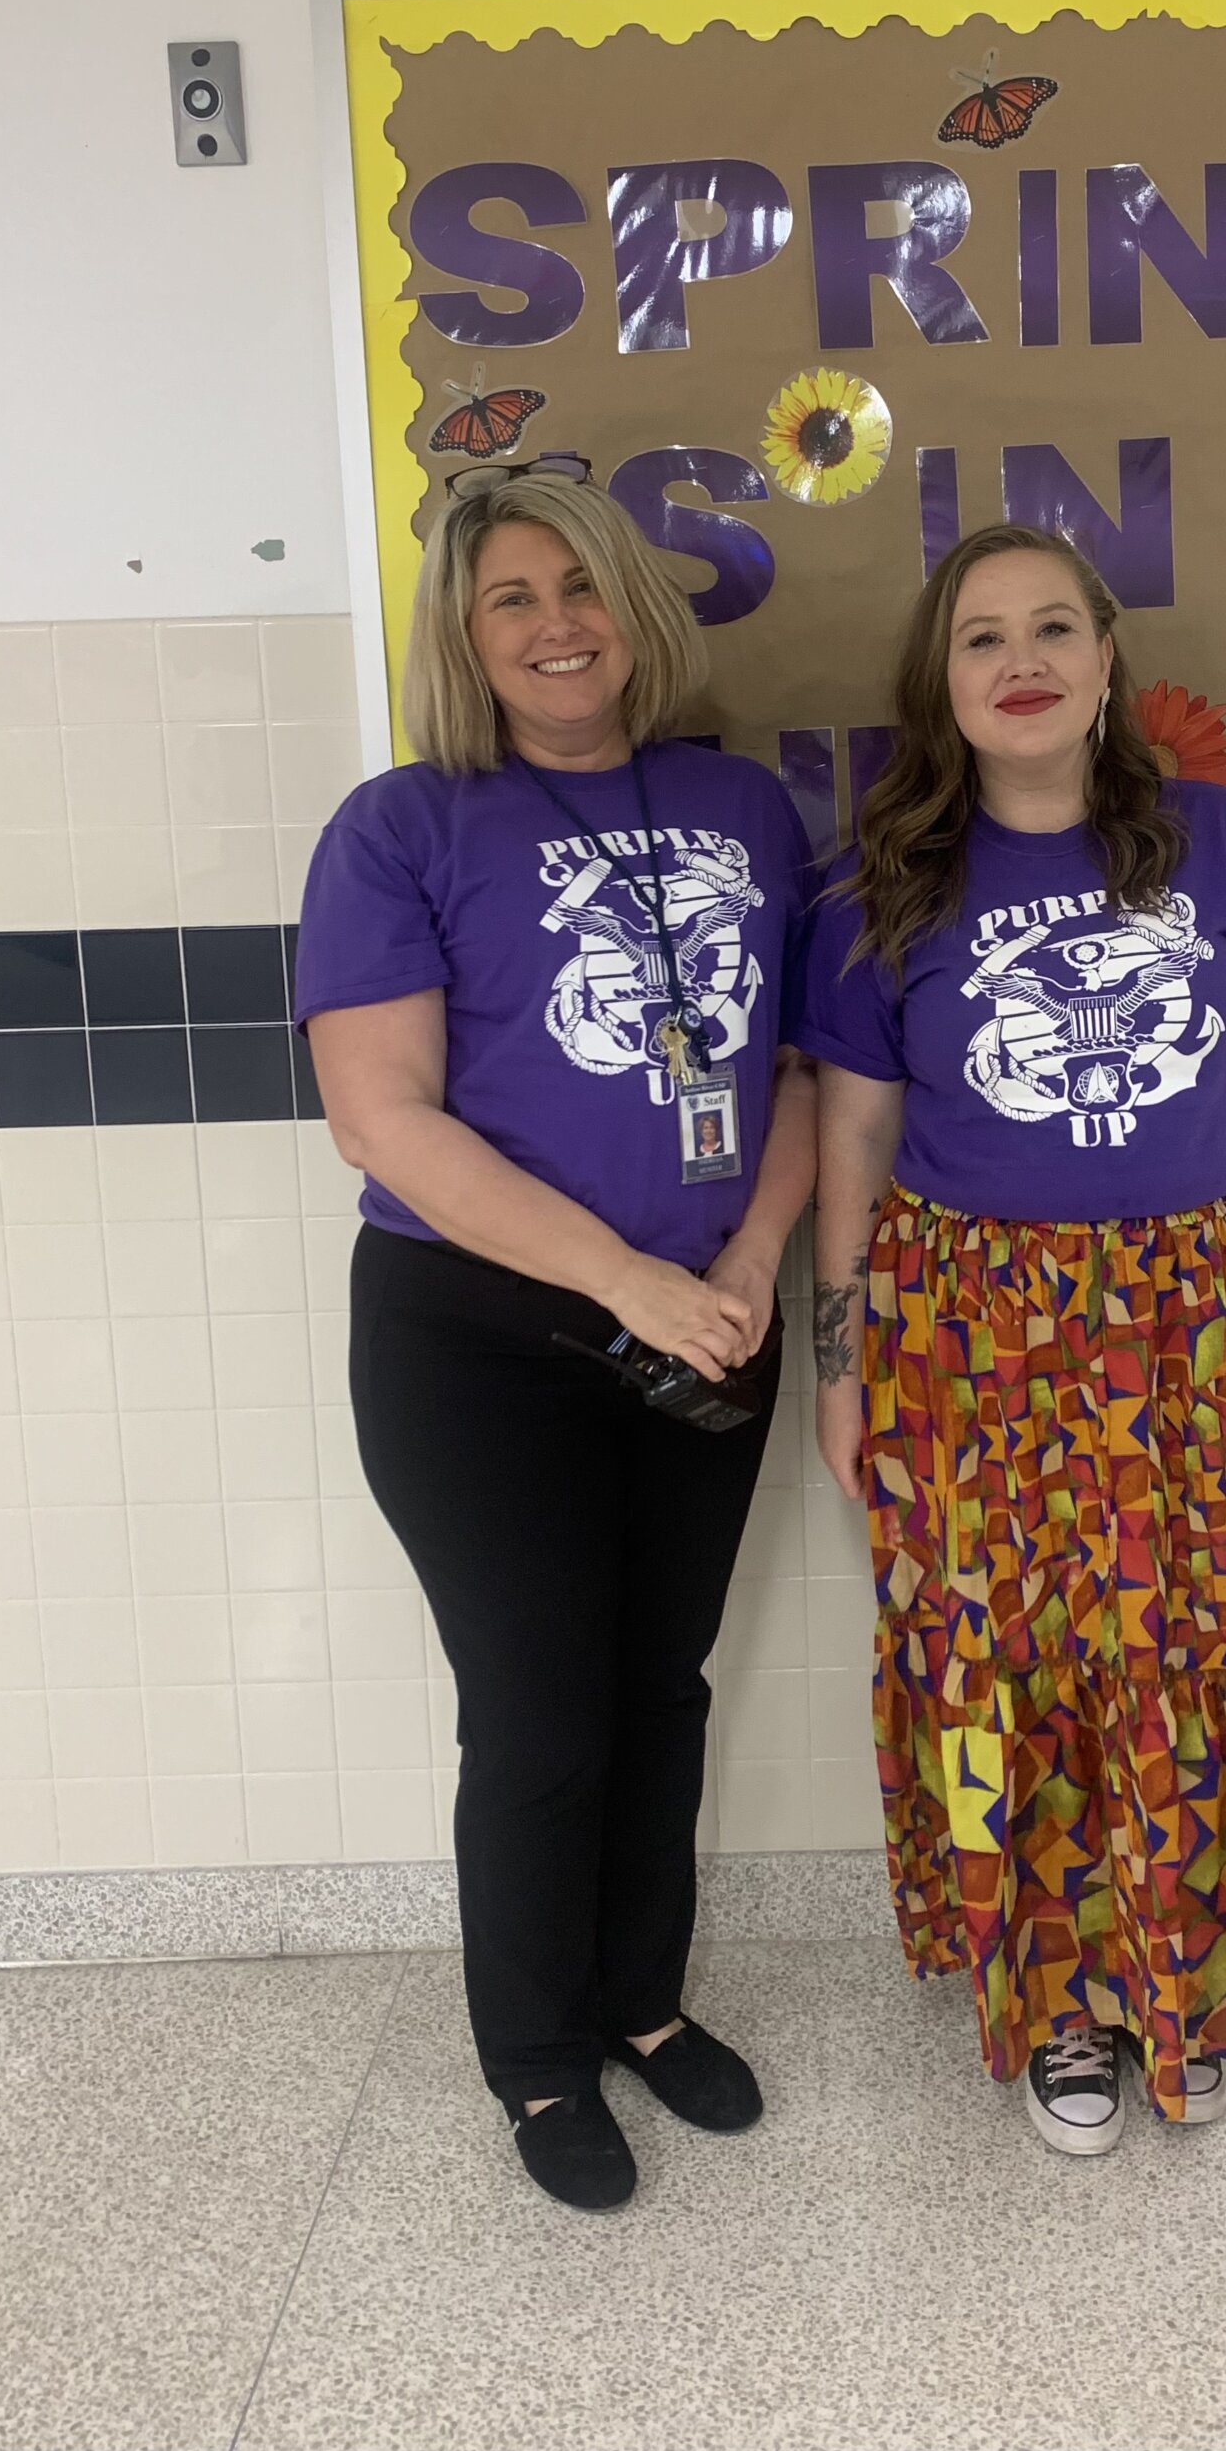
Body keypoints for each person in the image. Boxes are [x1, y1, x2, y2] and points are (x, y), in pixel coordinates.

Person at [799, 522, 1226, 2153]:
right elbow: (848, 1146)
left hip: (1195, 1324)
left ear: (1109, 660)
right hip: (971, 1333)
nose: (1022, 657)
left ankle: (1194, 1971)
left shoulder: (1222, 843)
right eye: (982, 636)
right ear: (944, 682)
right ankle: (1063, 2008)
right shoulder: (884, 879)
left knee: (1197, 1643)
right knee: (1019, 1658)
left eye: (1056, 625)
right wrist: (843, 1372)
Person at [294, 470, 817, 2213]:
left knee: (660, 1688)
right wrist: (629, 1282)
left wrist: (742, 1261)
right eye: (510, 597)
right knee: (539, 1715)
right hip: (480, 1343)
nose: (554, 624)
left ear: (636, 607)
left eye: (579, 585)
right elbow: (389, 1121)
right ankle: (533, 2055)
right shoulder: (401, 825)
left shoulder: (745, 807)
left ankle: (644, 2005)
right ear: (464, 633)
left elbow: (802, 1072)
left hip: (707, 1321)